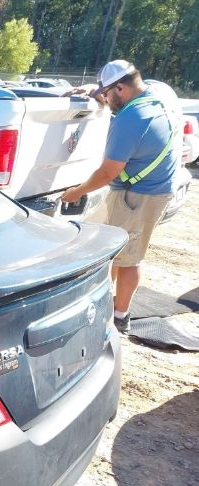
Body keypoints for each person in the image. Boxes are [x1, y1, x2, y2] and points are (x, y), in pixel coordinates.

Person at [61, 60, 179, 335]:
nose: (105, 99)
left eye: (107, 93)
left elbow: (107, 172)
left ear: (121, 89)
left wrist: (76, 193)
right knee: (118, 251)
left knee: (129, 259)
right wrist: (93, 90)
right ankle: (112, 304)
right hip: (153, 189)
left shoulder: (131, 118)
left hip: (139, 197)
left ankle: (119, 317)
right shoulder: (151, 96)